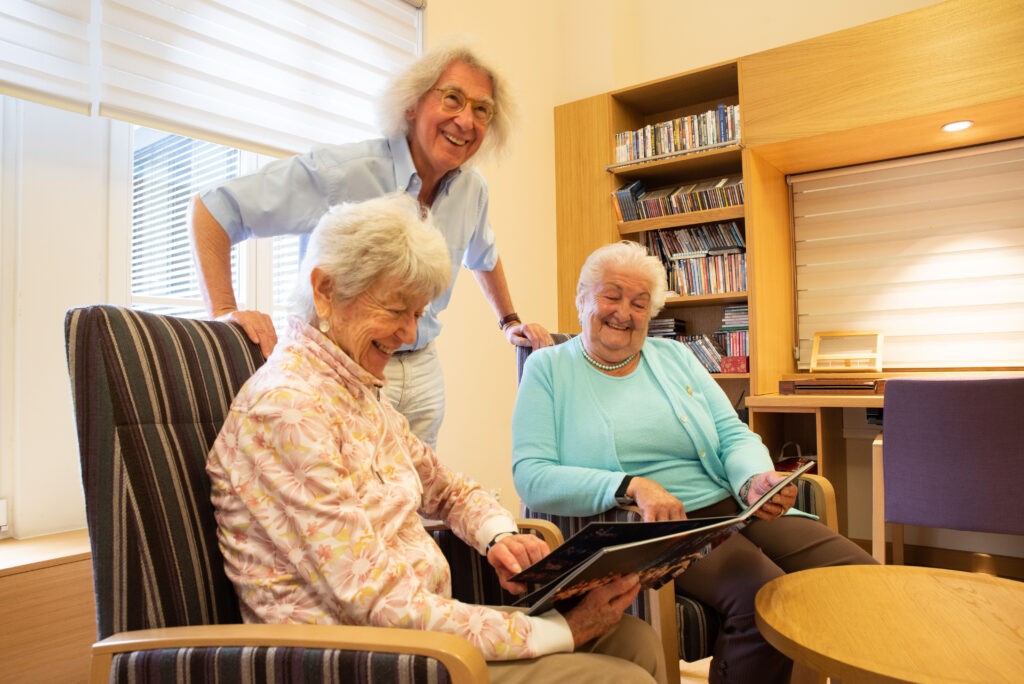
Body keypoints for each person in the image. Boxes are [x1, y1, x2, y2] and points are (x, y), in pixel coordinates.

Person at [207, 196, 667, 684]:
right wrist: (558, 632)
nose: (408, 333)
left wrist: (498, 536)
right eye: (396, 309)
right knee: (623, 677)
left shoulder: (357, 393)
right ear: (326, 290)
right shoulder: (287, 410)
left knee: (634, 640)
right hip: (355, 660)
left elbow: (447, 488)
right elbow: (374, 602)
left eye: (417, 313)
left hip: (417, 637)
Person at [511, 240, 877, 684]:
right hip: (653, 527)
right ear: (582, 297)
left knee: (859, 577)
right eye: (611, 295)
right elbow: (531, 475)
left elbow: (731, 432)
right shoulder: (548, 369)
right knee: (763, 597)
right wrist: (632, 485)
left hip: (731, 503)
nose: (623, 312)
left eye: (639, 302)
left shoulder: (674, 357)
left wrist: (754, 481)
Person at [190, 39, 552, 449]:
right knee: (343, 495)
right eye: (452, 99)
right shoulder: (343, 173)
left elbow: (483, 254)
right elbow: (214, 208)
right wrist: (223, 312)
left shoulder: (473, 189)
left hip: (422, 365)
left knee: (412, 498)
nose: (466, 120)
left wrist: (508, 321)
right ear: (412, 104)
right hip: (342, 365)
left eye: (481, 109)